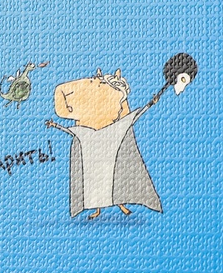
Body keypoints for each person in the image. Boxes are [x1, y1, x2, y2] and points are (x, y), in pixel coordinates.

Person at [46, 68, 162, 220]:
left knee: (115, 179)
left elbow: (134, 116)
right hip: (93, 157)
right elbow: (72, 131)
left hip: (109, 152)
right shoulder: (87, 131)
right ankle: (98, 210)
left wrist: (151, 104)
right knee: (95, 183)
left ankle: (120, 204)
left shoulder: (116, 126)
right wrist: (55, 125)